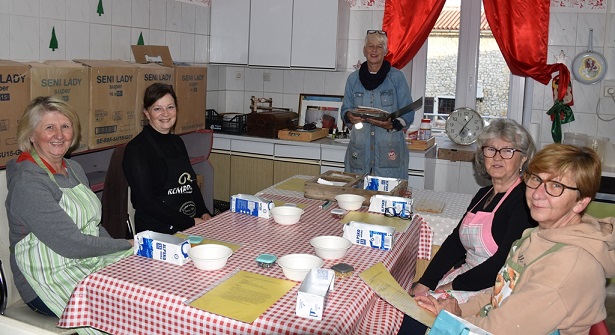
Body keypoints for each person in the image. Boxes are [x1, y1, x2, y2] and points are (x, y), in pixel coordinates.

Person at [413, 143, 615, 335]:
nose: (537, 194)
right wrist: (455, 310)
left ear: (580, 202)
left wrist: (451, 317)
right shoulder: (537, 235)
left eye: (555, 186)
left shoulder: (567, 268)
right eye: (535, 179)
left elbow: (494, 331)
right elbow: (501, 291)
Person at [5, 96, 133, 319]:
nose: (59, 135)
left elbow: (94, 225)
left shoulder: (72, 168)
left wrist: (121, 250)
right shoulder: (28, 182)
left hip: (86, 261)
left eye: (65, 126)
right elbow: (70, 244)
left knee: (145, 275)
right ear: (31, 136)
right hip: (47, 281)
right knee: (127, 309)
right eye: (49, 128)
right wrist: (124, 245)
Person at [411, 119, 537, 303]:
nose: (497, 157)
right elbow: (455, 243)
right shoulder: (483, 194)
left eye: (508, 150)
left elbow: (502, 264)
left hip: (492, 290)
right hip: (467, 277)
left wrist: (449, 287)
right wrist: (426, 283)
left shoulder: (523, 201)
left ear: (524, 158)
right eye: (491, 149)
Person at [123, 83, 211, 234]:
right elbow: (146, 202)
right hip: (158, 230)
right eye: (157, 109)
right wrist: (189, 222)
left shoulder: (177, 142)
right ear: (146, 113)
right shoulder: (136, 149)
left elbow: (190, 184)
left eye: (170, 107)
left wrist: (204, 212)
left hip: (188, 224)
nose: (165, 113)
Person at [341, 29, 414, 180]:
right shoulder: (353, 80)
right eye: (370, 46)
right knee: (356, 199)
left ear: (386, 51)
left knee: (388, 200)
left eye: (379, 46)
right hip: (359, 156)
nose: (374, 50)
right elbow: (345, 109)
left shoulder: (397, 78)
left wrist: (391, 125)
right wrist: (349, 116)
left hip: (389, 155)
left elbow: (408, 113)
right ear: (364, 50)